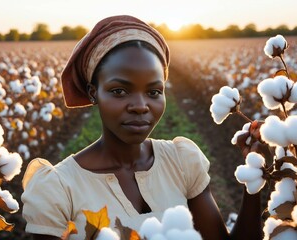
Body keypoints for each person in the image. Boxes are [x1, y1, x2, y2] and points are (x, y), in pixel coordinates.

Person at [21, 15, 262, 240]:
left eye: (154, 92)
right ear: (94, 93)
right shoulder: (58, 189)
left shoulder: (181, 162)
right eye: (119, 91)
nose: (140, 106)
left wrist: (254, 177)